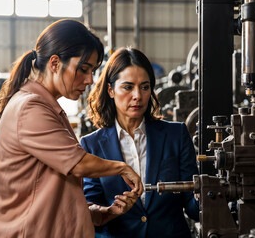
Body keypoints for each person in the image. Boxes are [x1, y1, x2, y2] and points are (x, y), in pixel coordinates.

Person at [0, 19, 143, 238]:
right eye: (84, 69)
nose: (89, 80)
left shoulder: (47, 108)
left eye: (93, 71)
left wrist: (105, 213)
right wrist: (122, 167)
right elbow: (79, 164)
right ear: (55, 63)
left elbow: (55, 194)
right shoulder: (30, 108)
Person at [81, 47, 200, 238]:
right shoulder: (92, 145)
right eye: (128, 87)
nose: (138, 95)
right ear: (111, 90)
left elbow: (193, 208)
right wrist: (110, 211)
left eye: (145, 87)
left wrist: (207, 194)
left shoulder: (176, 134)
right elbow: (91, 213)